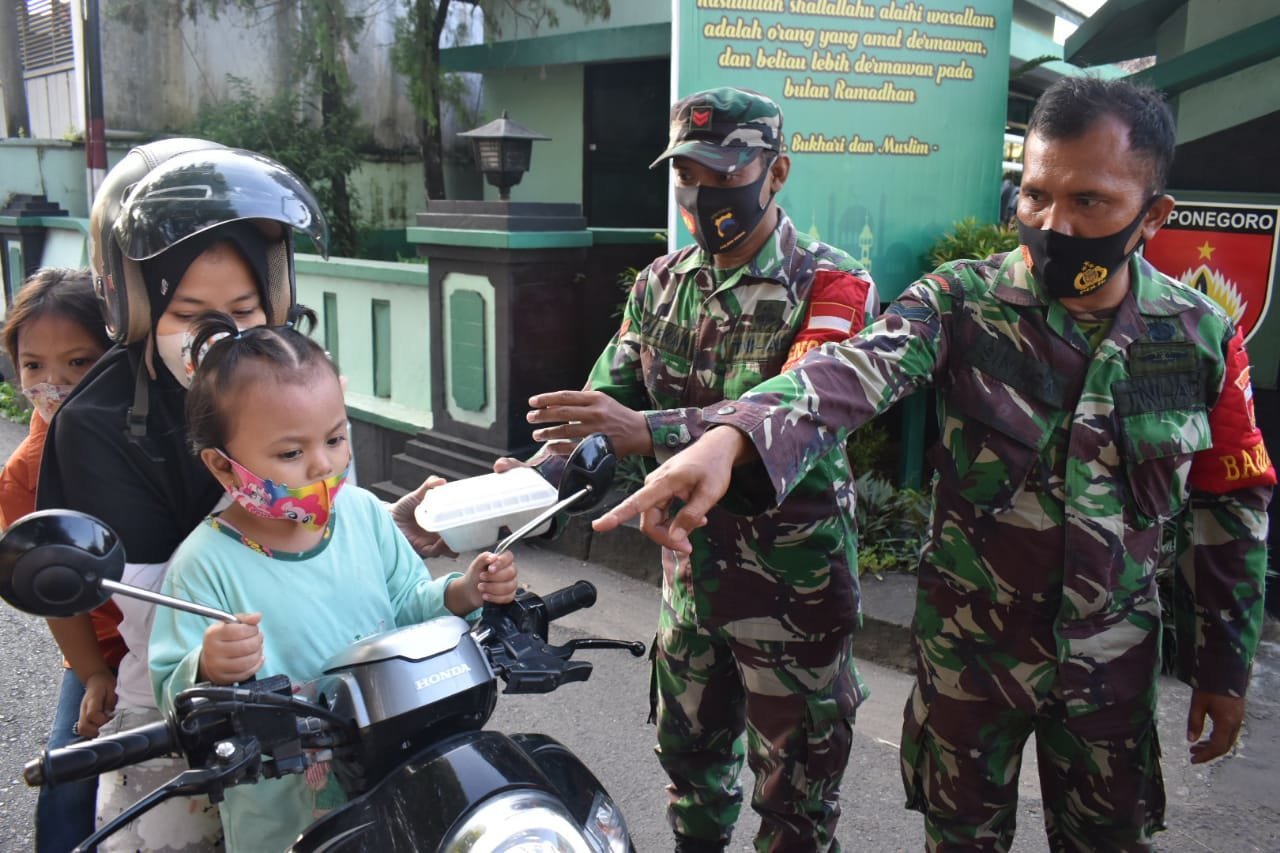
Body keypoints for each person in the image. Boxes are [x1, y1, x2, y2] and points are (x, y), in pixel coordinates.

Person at [593, 77, 1275, 852]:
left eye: (1090, 201)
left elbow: (1232, 508)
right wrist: (734, 435)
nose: (1054, 224)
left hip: (1110, 673)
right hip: (968, 667)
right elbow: (847, 371)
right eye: (1036, 196)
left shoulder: (1200, 337)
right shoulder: (959, 303)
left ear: (1152, 215)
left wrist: (1224, 667)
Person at [519, 87, 879, 852]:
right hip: (691, 586)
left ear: (776, 172)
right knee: (692, 782)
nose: (704, 192)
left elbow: (795, 413)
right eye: (689, 173)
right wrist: (527, 482)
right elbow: (602, 411)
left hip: (794, 594)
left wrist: (645, 430)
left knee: (796, 805)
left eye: (726, 172)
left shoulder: (833, 285)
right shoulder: (659, 285)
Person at [36, 140, 329, 851]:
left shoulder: (281, 374)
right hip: (181, 687)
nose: (223, 335)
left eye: (245, 307)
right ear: (136, 305)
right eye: (191, 311)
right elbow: (163, 616)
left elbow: (325, 508)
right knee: (82, 803)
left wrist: (392, 525)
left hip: (313, 671)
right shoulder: (98, 425)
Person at [148, 310, 517, 852]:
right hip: (283, 818)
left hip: (396, 777)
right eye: (291, 453)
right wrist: (207, 666)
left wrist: (464, 593)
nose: (323, 465)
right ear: (223, 467)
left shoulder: (363, 513)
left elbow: (408, 605)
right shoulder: (204, 564)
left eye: (336, 438)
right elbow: (173, 696)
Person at [0, 268, 117, 853]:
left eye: (78, 361)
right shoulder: (25, 477)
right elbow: (56, 595)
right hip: (106, 648)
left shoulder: (159, 437)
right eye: (33, 365)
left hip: (193, 630)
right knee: (68, 779)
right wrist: (94, 674)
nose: (53, 383)